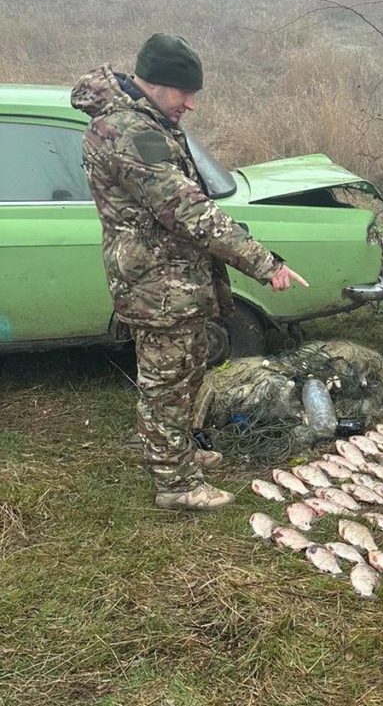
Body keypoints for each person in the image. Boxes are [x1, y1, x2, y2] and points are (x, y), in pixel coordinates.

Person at [71, 34, 309, 512]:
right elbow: (187, 210)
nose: (192, 104)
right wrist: (264, 263)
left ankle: (177, 457)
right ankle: (175, 485)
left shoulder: (147, 120)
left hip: (173, 280)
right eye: (185, 92)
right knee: (166, 386)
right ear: (156, 84)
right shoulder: (128, 132)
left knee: (185, 375)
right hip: (157, 285)